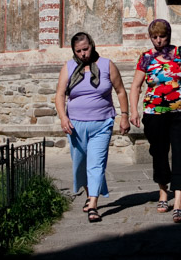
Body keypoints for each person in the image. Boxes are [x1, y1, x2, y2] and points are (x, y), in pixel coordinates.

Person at [129, 19, 181, 224]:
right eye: (155, 37)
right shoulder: (146, 58)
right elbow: (136, 86)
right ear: (150, 37)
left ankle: (178, 202)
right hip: (154, 113)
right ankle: (163, 192)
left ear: (169, 35)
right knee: (159, 152)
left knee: (179, 152)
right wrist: (133, 111)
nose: (159, 40)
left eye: (162, 36)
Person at [55, 32, 130, 223]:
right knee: (80, 164)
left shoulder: (107, 65)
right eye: (78, 50)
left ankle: (93, 205)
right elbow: (60, 94)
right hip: (75, 125)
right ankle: (90, 194)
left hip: (102, 123)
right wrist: (63, 118)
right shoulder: (69, 67)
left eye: (85, 49)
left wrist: (124, 116)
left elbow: (120, 91)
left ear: (92, 46)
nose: (83, 54)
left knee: (96, 163)